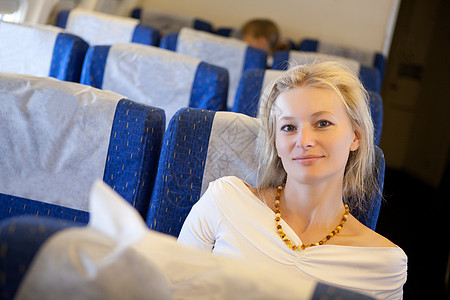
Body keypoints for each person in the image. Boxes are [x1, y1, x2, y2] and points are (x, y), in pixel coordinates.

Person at [178, 61, 408, 299]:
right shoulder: (223, 201)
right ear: (276, 143)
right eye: (289, 127)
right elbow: (171, 288)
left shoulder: (383, 264)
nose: (304, 140)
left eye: (322, 123)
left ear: (355, 137)